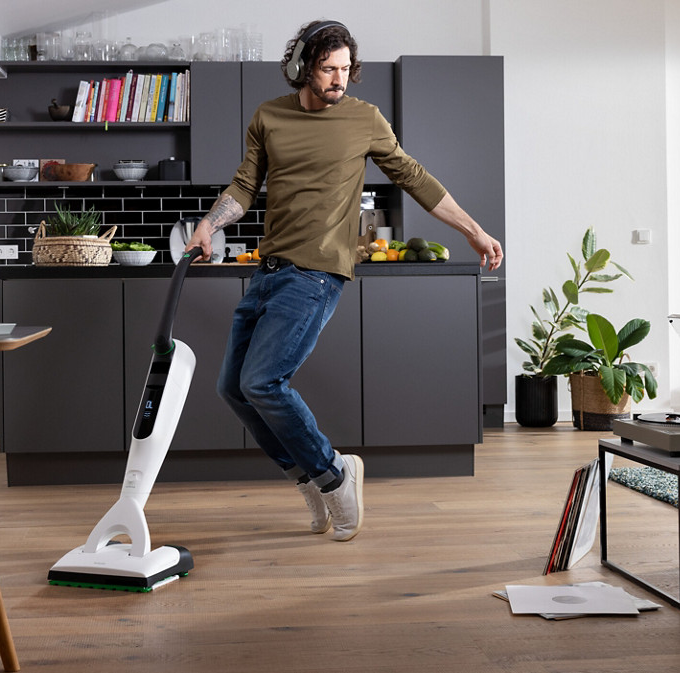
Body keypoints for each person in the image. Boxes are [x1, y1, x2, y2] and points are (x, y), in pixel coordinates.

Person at [185, 20, 503, 542]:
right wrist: (208, 225)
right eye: (328, 68)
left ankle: (335, 473)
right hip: (269, 271)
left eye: (345, 68)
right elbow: (245, 185)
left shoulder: (364, 119)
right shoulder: (269, 116)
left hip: (316, 273)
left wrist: (474, 230)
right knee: (233, 389)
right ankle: (308, 477)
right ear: (301, 67)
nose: (339, 78)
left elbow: (414, 177)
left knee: (262, 382)